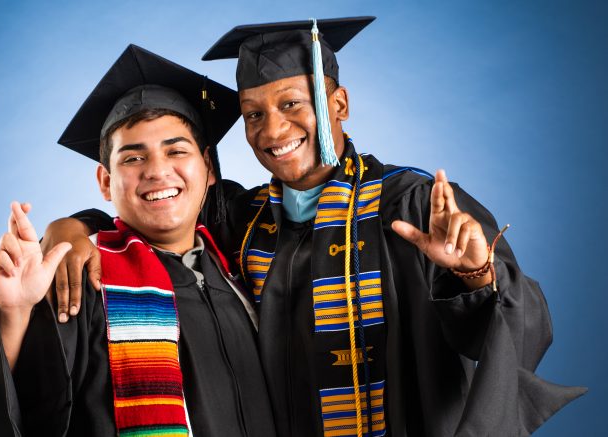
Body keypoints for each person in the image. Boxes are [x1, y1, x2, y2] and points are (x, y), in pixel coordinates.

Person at [43, 18, 585, 437]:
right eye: (253, 114)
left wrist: (477, 275)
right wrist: (69, 228)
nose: (272, 129)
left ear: (338, 104)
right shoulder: (244, 216)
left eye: (291, 104)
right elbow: (156, 206)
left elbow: (521, 328)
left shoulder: (415, 204)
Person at [0, 45, 276, 437]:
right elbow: (19, 412)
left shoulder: (243, 254)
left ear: (208, 168)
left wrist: (75, 223)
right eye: (133, 159)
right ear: (105, 182)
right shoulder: (87, 279)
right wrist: (14, 313)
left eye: (176, 151)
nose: (157, 171)